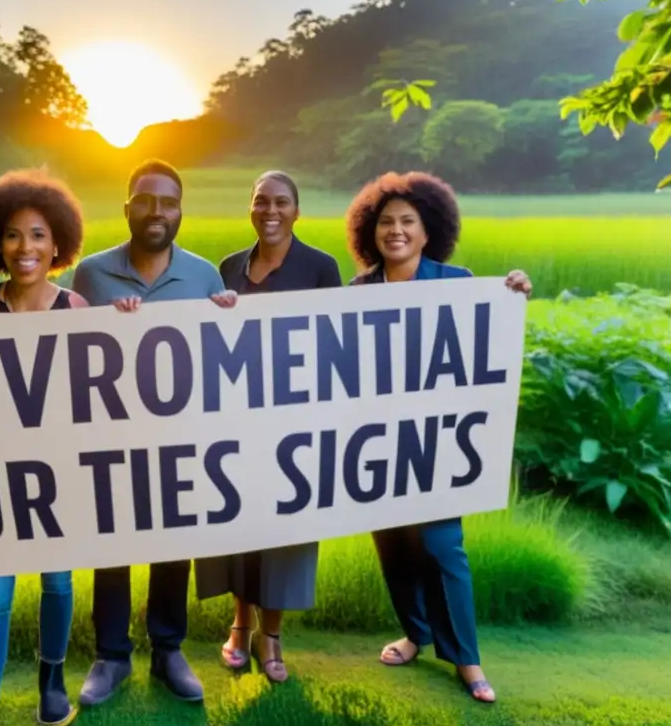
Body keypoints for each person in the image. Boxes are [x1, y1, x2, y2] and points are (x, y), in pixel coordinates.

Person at [344, 171, 532, 705]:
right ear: (370, 232)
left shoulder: (458, 281)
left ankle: (467, 660)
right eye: (386, 222)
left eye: (408, 222)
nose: (396, 231)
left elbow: (489, 330)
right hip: (376, 442)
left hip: (440, 441)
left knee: (442, 545)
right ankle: (416, 633)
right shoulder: (357, 292)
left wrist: (513, 289)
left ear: (429, 232)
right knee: (393, 545)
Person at [69, 158, 237, 707]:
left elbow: (223, 355)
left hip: (180, 439)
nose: (157, 211)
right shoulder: (91, 274)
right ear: (128, 209)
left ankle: (168, 651)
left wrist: (232, 317)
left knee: (173, 549)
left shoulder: (205, 275)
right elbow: (63, 351)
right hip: (110, 437)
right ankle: (111, 657)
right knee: (111, 548)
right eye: (146, 200)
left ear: (181, 211)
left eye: (168, 202)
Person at [194, 170, 341, 684]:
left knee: (283, 531)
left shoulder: (321, 267)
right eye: (261, 202)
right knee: (238, 523)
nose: (270, 211)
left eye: (281, 202)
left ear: (297, 211)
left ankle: (271, 636)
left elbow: (338, 344)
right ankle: (238, 626)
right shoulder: (229, 267)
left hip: (293, 424)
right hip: (233, 423)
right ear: (251, 209)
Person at [0, 168, 88, 726]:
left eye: (37, 234)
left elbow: (98, 395)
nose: (25, 246)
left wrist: (127, 325)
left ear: (57, 242)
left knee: (57, 580)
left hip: (57, 469)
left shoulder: (76, 309)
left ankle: (51, 679)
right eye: (13, 234)